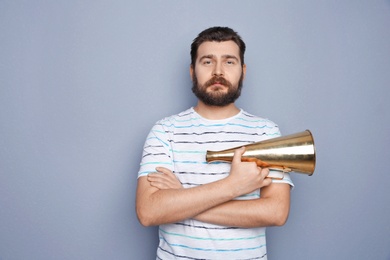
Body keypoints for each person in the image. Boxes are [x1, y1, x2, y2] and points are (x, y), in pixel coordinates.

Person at [136, 26, 293, 260]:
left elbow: (276, 212)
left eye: (229, 62)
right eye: (207, 62)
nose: (218, 71)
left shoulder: (266, 132)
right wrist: (234, 186)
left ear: (243, 71)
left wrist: (182, 197)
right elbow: (149, 211)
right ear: (192, 71)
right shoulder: (164, 130)